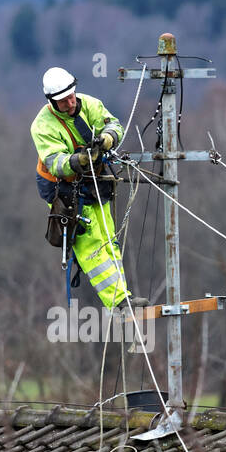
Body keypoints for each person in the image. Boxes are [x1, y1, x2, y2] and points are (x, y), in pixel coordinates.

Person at [31, 67, 144, 310]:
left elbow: (113, 125)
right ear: (52, 102)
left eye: (72, 97)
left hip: (93, 180)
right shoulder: (43, 125)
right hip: (62, 188)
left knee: (107, 237)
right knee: (90, 243)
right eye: (64, 101)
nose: (71, 104)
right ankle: (119, 302)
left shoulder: (90, 105)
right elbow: (55, 163)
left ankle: (123, 296)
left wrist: (107, 139)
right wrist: (78, 160)